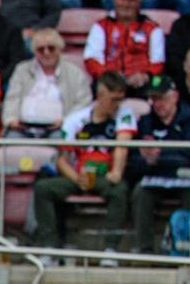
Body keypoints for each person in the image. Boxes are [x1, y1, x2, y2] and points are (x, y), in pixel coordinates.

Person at [30, 69, 136, 258]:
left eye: (121, 99)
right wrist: (76, 178)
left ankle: (111, 249)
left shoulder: (124, 114)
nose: (117, 104)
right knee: (43, 188)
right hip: (80, 174)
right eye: (113, 99)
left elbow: (122, 145)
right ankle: (48, 246)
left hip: (105, 175)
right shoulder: (76, 120)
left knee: (120, 190)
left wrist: (117, 171)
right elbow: (62, 159)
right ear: (100, 95)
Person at [124, 73, 190, 248]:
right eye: (153, 99)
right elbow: (133, 162)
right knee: (140, 191)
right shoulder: (146, 122)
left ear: (175, 97)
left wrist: (160, 154)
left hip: (184, 178)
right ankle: (143, 249)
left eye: (161, 99)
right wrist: (148, 160)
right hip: (155, 177)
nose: (158, 104)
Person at [84, 0, 166, 93]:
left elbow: (158, 62)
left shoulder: (153, 28)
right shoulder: (101, 26)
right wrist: (110, 77)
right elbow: (91, 59)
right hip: (110, 82)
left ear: (139, 1)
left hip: (141, 83)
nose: (126, 4)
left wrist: (145, 76)